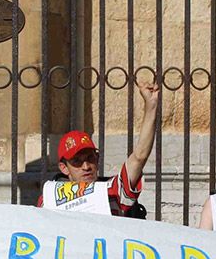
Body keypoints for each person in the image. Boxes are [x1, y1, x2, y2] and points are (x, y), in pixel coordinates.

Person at [36, 80, 160, 216]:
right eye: (77, 161)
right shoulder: (49, 199)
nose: (86, 166)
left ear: (98, 159)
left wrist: (151, 106)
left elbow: (139, 157)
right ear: (64, 168)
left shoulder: (112, 191)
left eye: (90, 158)